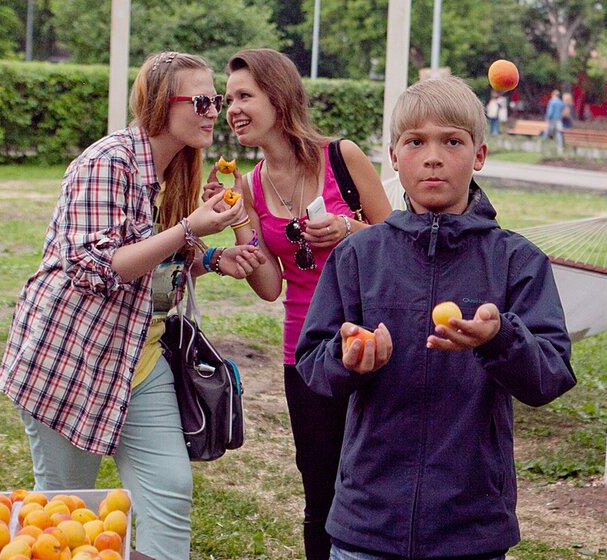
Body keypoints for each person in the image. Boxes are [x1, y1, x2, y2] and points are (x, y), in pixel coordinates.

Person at [0, 51, 265, 560]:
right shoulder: (108, 161)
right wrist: (189, 229)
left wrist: (210, 257)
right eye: (203, 100)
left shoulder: (177, 170)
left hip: (141, 363)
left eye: (218, 101)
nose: (215, 111)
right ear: (163, 104)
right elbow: (96, 269)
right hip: (71, 360)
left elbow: (152, 273)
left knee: (169, 489)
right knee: (66, 514)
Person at [296, 76, 577, 559]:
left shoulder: (517, 261)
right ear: (393, 157)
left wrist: (499, 338)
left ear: (480, 155)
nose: (432, 157)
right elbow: (311, 366)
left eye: (451, 141)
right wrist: (350, 360)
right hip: (368, 523)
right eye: (415, 142)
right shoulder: (359, 255)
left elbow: (550, 376)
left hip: (470, 525)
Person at [203, 48, 392, 559]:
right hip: (304, 351)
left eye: (245, 96)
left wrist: (348, 229)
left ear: (279, 97)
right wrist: (239, 218)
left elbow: (397, 241)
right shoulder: (248, 184)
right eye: (229, 99)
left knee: (380, 479)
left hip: (371, 341)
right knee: (320, 491)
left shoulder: (341, 158)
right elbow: (270, 286)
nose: (232, 109)